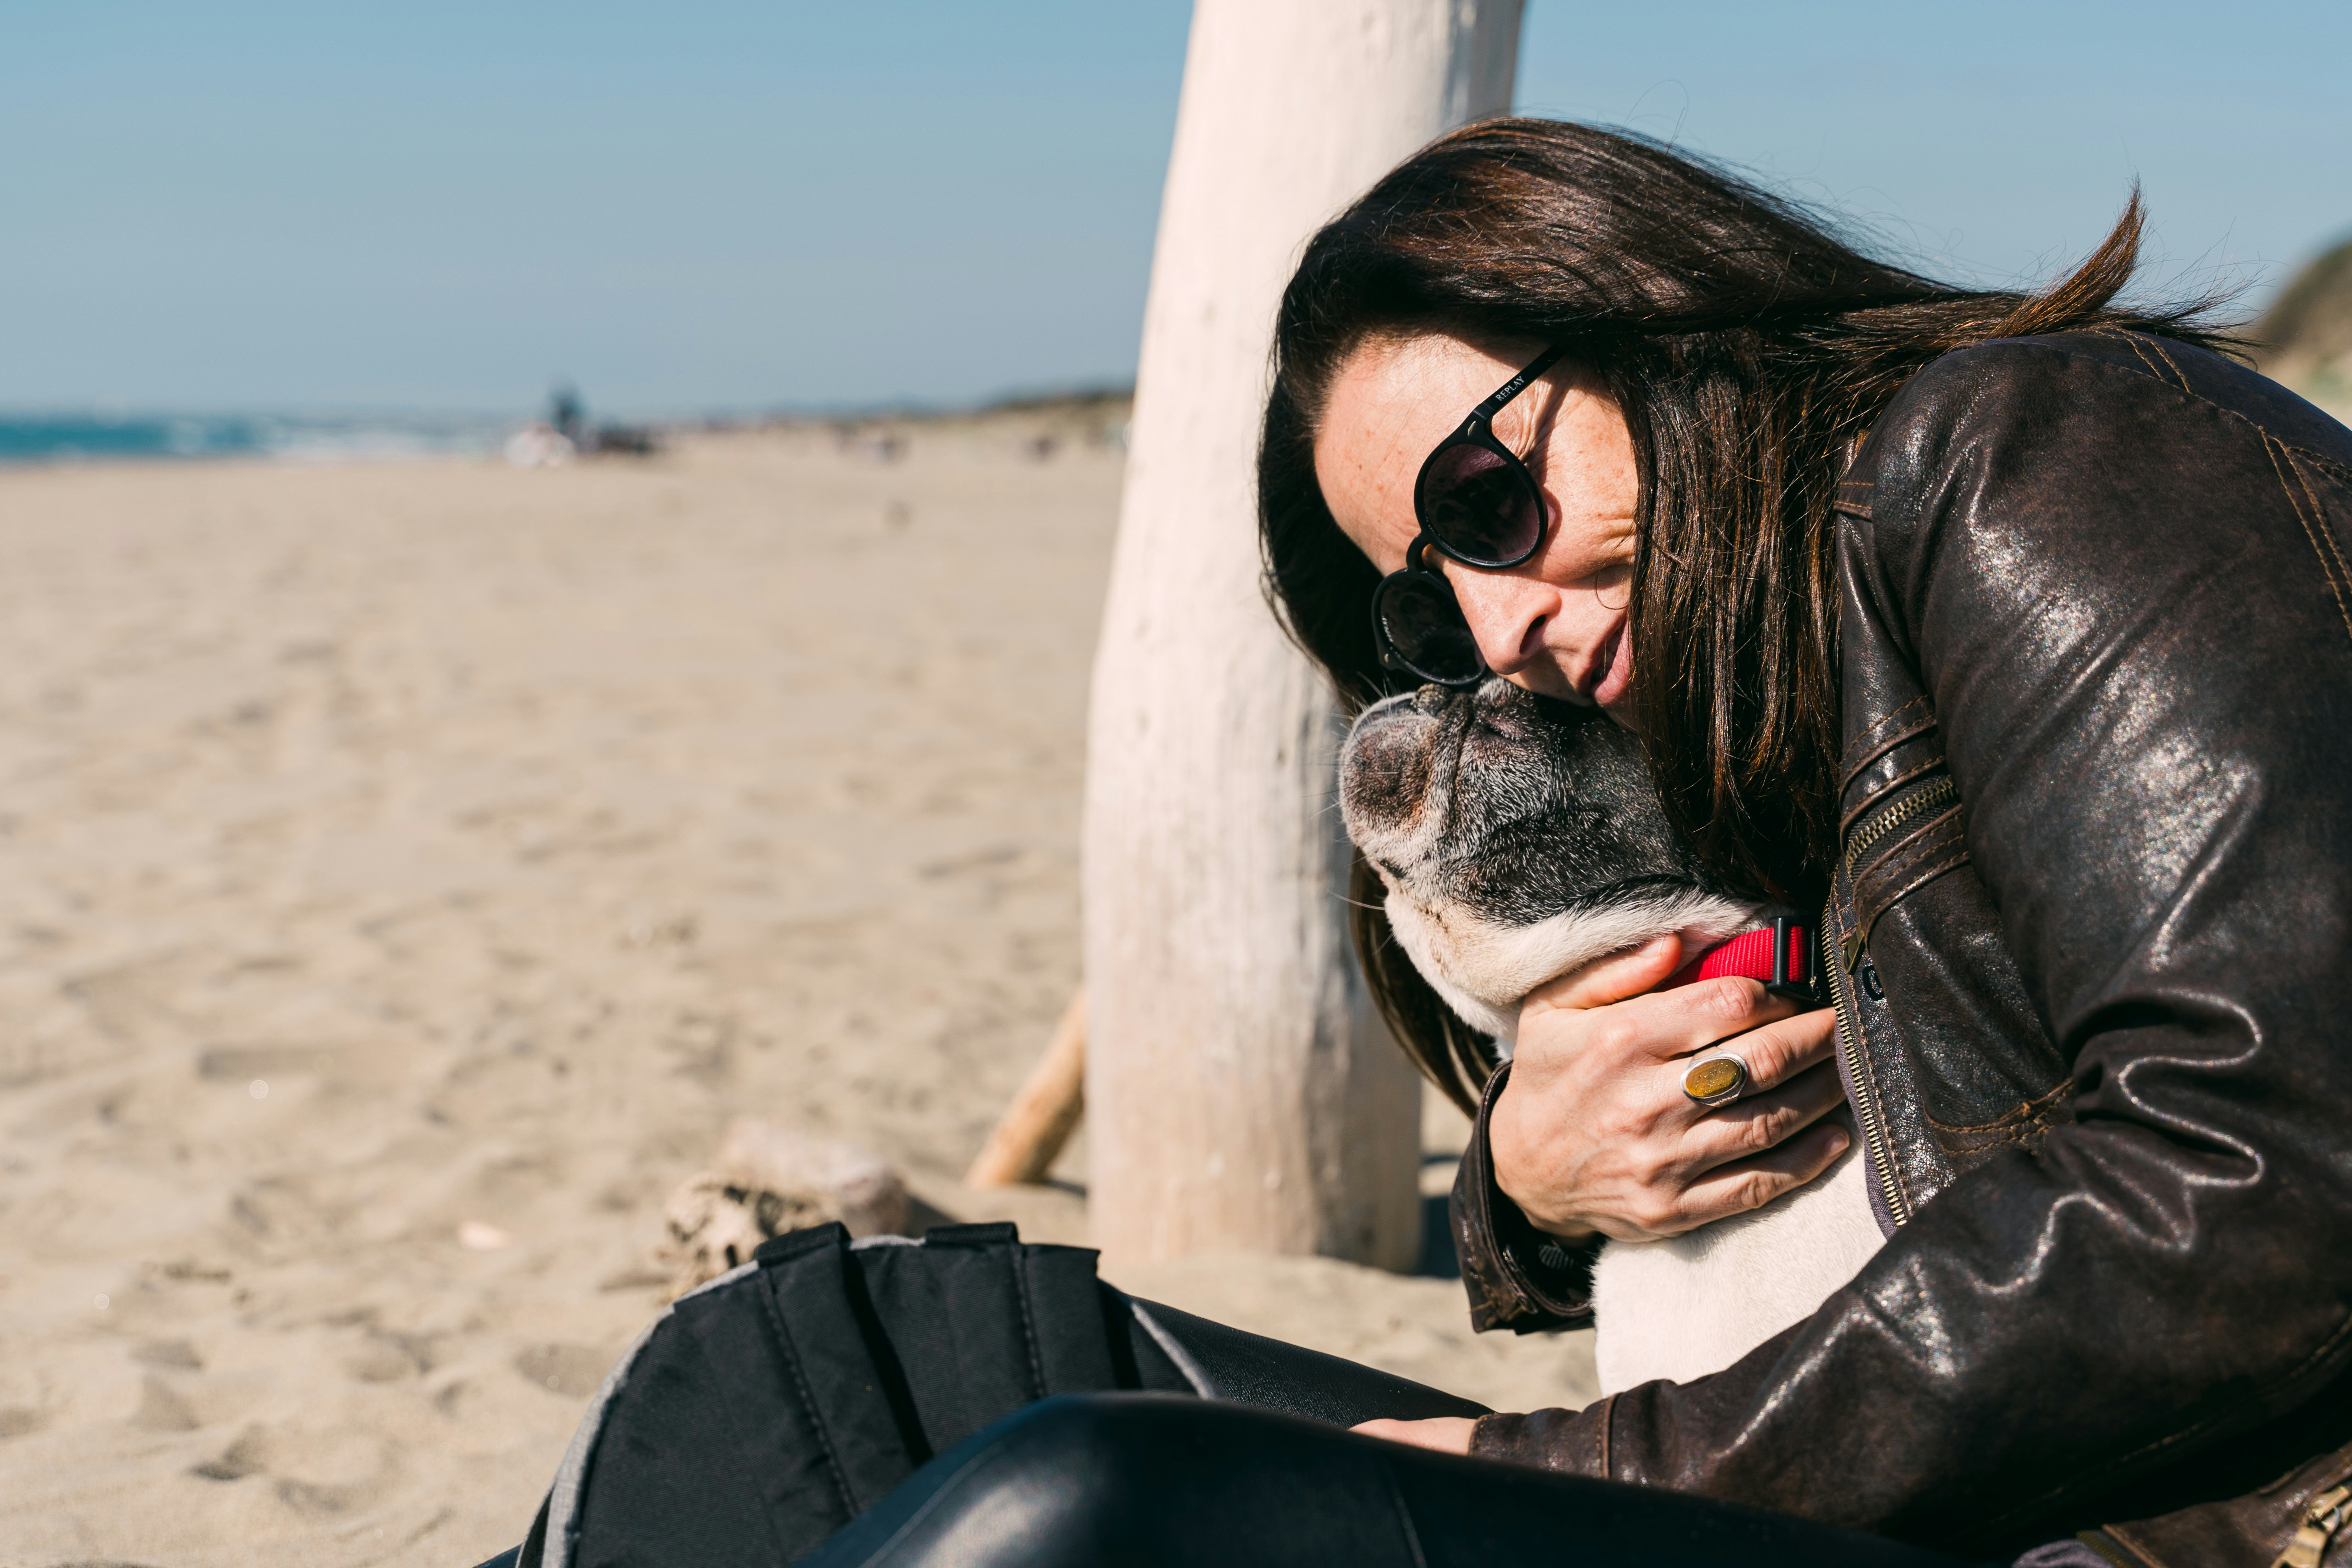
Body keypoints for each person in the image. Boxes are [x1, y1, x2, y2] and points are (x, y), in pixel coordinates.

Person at [502, 121, 2352, 1568]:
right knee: (860, 1354)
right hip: (1948, 1492)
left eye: (1491, 500)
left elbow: (2273, 1169)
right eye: (1425, 602)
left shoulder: (2036, 445)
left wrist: (1596, 1458)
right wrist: (1526, 1191)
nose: (1495, 629)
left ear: (1648, 301)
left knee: (1086, 1504)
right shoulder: (1761, 683)